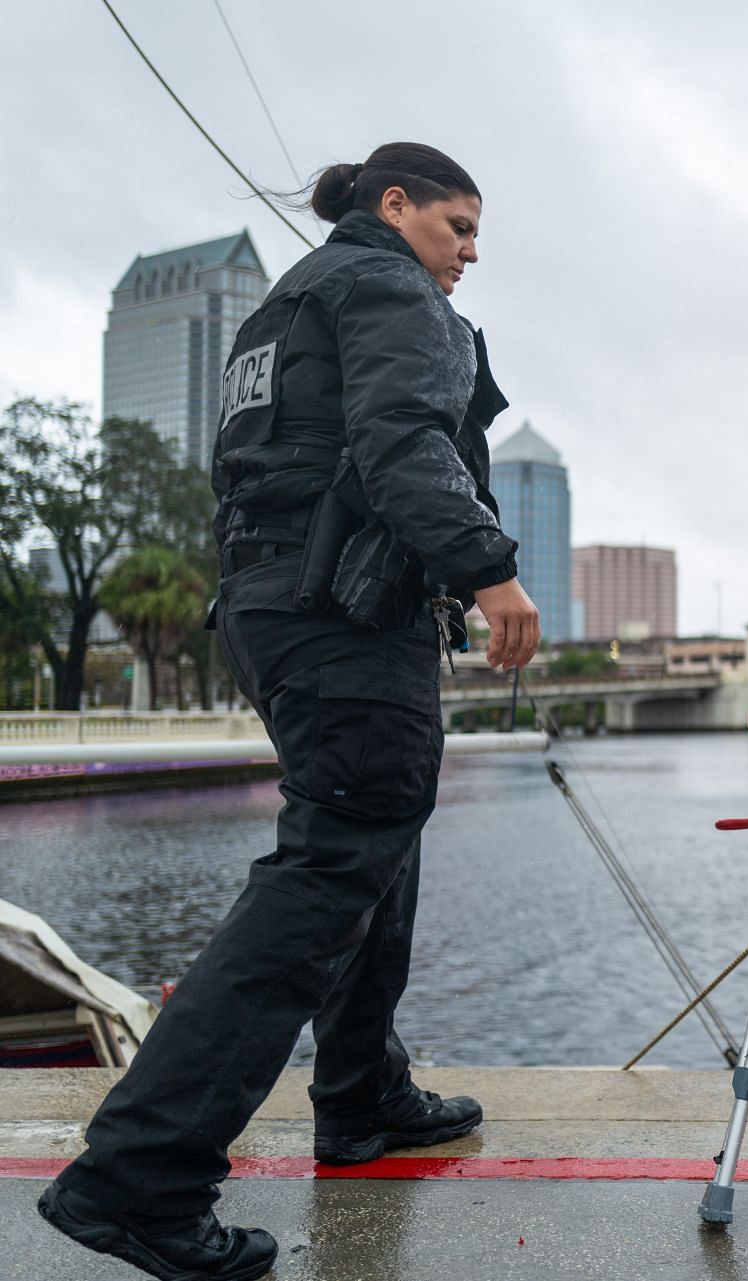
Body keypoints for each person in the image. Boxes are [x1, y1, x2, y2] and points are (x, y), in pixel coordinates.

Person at [38, 142, 541, 1281]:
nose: (468, 253)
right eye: (457, 226)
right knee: (331, 864)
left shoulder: (281, 306)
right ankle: (138, 1178)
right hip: (344, 618)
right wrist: (490, 568)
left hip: (276, 606)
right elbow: (403, 441)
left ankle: (359, 1095)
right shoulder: (389, 288)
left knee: (376, 839)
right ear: (395, 204)